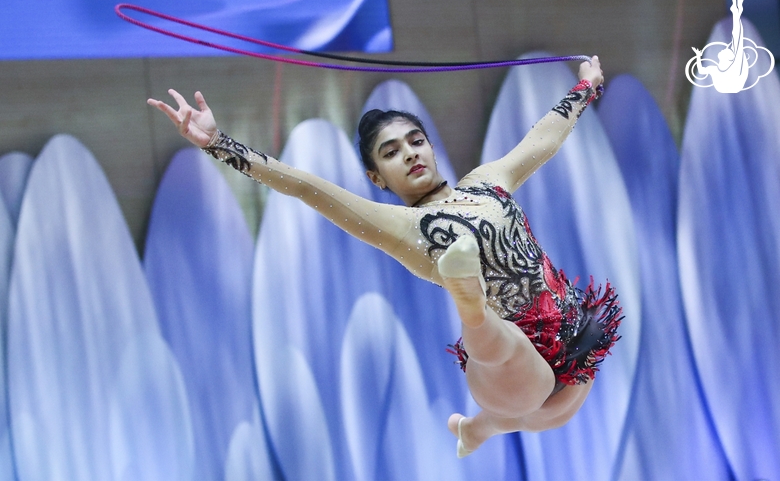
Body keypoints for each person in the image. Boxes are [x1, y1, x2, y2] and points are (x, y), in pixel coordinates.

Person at [147, 55, 621, 457]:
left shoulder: (488, 181)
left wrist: (586, 84)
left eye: (416, 141)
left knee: (547, 416)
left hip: (570, 334)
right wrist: (218, 143)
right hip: (507, 361)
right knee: (529, 381)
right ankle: (470, 305)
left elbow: (544, 137)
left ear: (431, 147)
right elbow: (308, 188)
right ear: (378, 179)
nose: (411, 154)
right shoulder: (402, 228)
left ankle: (475, 428)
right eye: (391, 153)